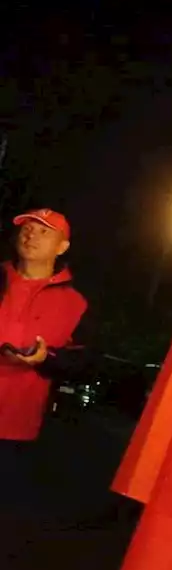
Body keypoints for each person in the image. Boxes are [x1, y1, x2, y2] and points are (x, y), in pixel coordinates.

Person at [0, 209, 88, 511]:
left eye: (43, 231)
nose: (31, 235)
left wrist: (45, 357)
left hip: (17, 429)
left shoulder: (76, 302)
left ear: (62, 246)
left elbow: (81, 362)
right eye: (27, 228)